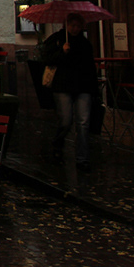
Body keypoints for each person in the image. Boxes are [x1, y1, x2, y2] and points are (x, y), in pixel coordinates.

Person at [42, 13, 98, 171]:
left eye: (77, 26)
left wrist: (94, 90)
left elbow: (90, 67)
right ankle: (58, 143)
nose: (75, 29)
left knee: (83, 123)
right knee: (66, 120)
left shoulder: (85, 44)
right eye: (72, 25)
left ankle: (82, 158)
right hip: (63, 86)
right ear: (66, 25)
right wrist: (62, 52)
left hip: (83, 86)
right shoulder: (58, 39)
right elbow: (47, 59)